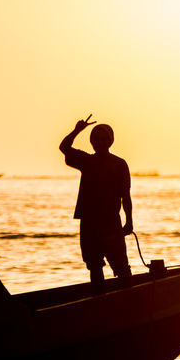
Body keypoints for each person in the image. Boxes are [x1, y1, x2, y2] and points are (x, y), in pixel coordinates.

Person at [59, 114, 133, 288]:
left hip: (110, 223)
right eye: (95, 139)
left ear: (110, 141)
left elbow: (126, 196)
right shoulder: (86, 161)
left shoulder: (119, 164)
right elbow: (64, 147)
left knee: (121, 267)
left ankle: (131, 301)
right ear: (91, 141)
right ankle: (99, 301)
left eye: (102, 139)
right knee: (94, 266)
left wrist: (129, 221)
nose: (98, 142)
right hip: (89, 223)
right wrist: (77, 130)